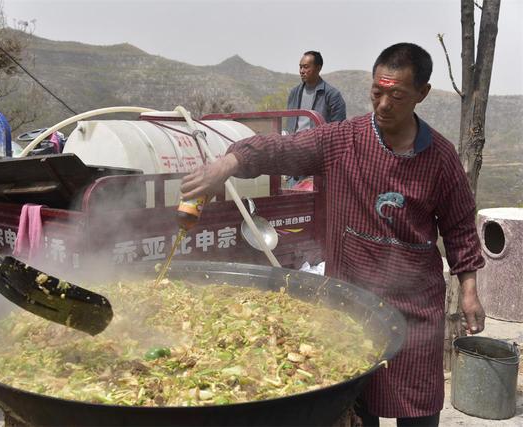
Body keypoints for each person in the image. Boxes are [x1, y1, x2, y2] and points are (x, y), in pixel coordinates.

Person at [181, 43, 485, 427]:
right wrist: (228, 163)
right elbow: (282, 149)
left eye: (397, 95)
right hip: (352, 302)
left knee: (419, 408)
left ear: (421, 94)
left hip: (416, 309)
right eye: (377, 92)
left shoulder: (440, 158)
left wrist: (470, 288)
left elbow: (459, 225)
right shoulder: (343, 140)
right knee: (358, 405)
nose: (384, 104)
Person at [285, 50, 346, 134]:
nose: (302, 71)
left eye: (306, 67)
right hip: (294, 144)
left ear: (318, 68)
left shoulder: (332, 95)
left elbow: (339, 130)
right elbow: (289, 124)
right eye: (300, 67)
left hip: (318, 145)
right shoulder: (294, 93)